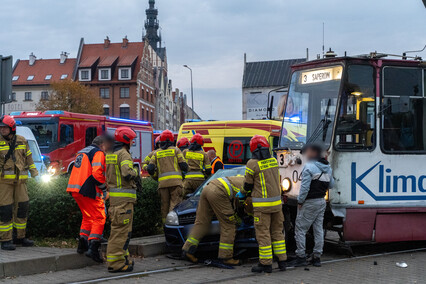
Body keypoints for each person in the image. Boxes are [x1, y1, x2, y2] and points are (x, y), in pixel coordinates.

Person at [237, 135, 286, 273]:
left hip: (262, 208)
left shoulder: (252, 163)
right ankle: (282, 261)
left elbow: (247, 184)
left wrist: (241, 193)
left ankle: (266, 264)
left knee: (263, 234)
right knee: (277, 233)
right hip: (277, 205)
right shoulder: (273, 160)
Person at [67, 135, 113, 262]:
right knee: (99, 217)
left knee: (88, 217)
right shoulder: (98, 153)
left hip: (75, 189)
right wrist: (104, 189)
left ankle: (82, 243)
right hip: (88, 190)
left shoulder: (83, 151)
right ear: (102, 144)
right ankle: (93, 248)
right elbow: (97, 173)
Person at [182, 175, 244, 266]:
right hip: (219, 191)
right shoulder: (252, 187)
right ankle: (226, 257)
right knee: (229, 224)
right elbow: (244, 204)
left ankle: (187, 250)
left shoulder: (241, 178)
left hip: (207, 188)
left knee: (201, 223)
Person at [290, 143, 334, 268]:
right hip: (321, 202)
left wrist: (300, 201)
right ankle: (317, 257)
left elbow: (304, 188)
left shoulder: (309, 167)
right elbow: (331, 185)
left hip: (309, 202)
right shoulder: (328, 168)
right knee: (318, 229)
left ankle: (301, 256)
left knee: (300, 229)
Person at [0, 115, 38, 250]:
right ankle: (6, 239)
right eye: (1, 128)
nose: (2, 130)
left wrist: (34, 172)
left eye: (5, 127)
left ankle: (19, 237)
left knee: (22, 207)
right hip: (3, 182)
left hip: (21, 182)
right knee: (5, 210)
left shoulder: (22, 140)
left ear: (12, 128)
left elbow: (29, 157)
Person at [105, 127, 139, 273]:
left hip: (116, 201)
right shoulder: (124, 154)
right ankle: (115, 263)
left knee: (122, 231)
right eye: (131, 140)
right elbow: (126, 172)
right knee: (120, 232)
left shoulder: (111, 153)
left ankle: (123, 258)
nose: (132, 143)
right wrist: (136, 172)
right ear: (126, 140)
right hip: (123, 201)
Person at [147, 130, 188, 221]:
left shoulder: (156, 153)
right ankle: (172, 223)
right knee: (175, 203)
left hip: (162, 185)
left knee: (164, 206)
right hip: (176, 183)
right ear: (171, 140)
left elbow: (150, 169)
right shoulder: (176, 150)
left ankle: (164, 226)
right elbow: (184, 166)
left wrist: (156, 176)